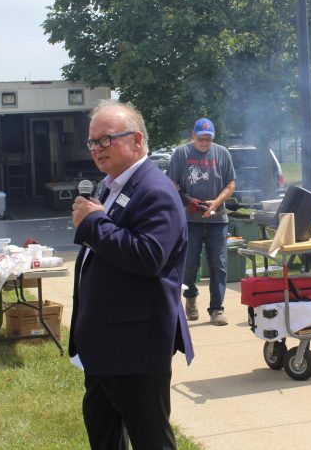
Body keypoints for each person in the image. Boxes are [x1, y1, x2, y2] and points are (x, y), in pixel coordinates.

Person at [70, 100, 194, 450]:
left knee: (151, 440)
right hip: (106, 345)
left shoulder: (155, 191)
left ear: (137, 140)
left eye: (106, 139)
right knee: (104, 434)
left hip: (136, 345)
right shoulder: (108, 186)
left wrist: (93, 223)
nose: (97, 149)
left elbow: (149, 256)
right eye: (93, 142)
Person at [166, 118, 236, 326]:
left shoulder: (222, 153)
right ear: (193, 135)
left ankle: (217, 309)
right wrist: (188, 200)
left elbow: (231, 184)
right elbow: (172, 182)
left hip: (217, 219)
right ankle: (191, 297)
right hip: (190, 220)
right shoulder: (181, 154)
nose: (205, 142)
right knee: (189, 264)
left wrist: (216, 203)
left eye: (209, 138)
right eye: (201, 138)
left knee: (219, 265)